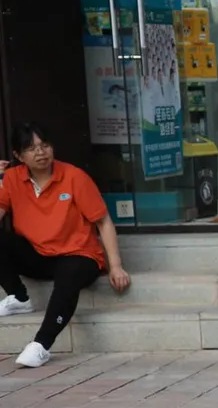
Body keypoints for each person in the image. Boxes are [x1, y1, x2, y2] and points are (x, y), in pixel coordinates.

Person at [0, 124, 131, 367]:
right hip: (38, 254)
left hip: (79, 254)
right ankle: (19, 297)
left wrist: (116, 266)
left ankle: (41, 344)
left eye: (45, 146)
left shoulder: (74, 177)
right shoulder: (11, 179)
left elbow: (103, 222)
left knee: (68, 276)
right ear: (18, 156)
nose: (41, 153)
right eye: (31, 149)